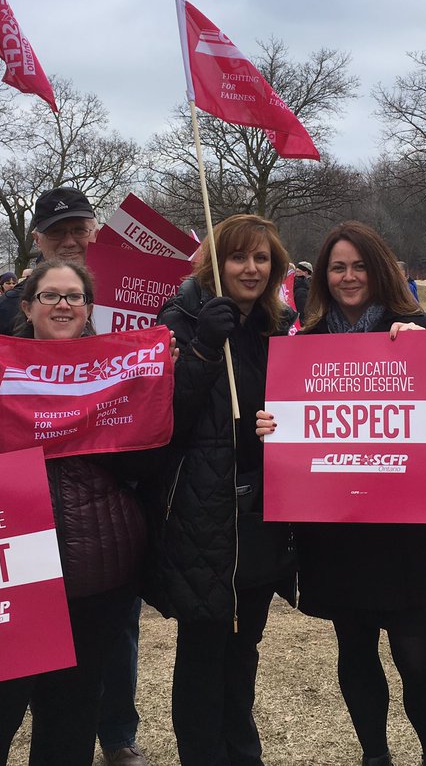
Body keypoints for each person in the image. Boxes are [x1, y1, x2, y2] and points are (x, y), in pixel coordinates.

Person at [261, 220, 426, 766]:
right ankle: (375, 755)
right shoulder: (304, 343)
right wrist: (273, 425)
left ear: (380, 269)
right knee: (354, 651)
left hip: (410, 529)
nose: (349, 277)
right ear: (323, 277)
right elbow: (293, 431)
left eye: (359, 266)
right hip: (337, 525)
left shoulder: (423, 327)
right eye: (337, 267)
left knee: (418, 657)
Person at [0, 260, 150, 766]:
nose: (63, 305)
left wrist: (156, 381)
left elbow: (148, 459)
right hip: (9, 564)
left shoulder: (118, 366)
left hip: (92, 568)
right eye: (51, 296)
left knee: (72, 712)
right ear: (28, 306)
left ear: (88, 308)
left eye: (74, 297)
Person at [143, 214, 297, 766]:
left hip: (260, 511)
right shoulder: (180, 321)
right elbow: (165, 421)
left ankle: (242, 749)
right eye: (238, 257)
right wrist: (205, 349)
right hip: (203, 512)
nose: (250, 269)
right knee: (204, 650)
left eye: (261, 258)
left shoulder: (275, 328)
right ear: (215, 263)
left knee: (244, 647)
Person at [0, 187, 97, 336]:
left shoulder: (125, 298)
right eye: (56, 232)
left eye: (79, 231)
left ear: (95, 235)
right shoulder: (8, 308)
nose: (69, 242)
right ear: (37, 239)